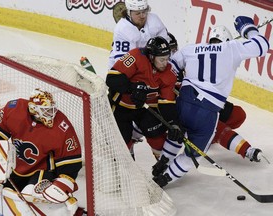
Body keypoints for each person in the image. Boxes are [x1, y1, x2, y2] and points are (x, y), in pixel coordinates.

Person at [152, 16, 270, 188]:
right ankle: (163, 180)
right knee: (195, 154)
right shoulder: (232, 48)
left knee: (176, 131)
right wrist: (247, 28)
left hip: (184, 101)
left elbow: (169, 69)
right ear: (227, 39)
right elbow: (262, 45)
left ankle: (162, 162)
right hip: (206, 111)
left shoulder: (191, 49)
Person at [0, 88, 82, 204]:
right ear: (33, 109)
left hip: (42, 172)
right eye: (45, 111)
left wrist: (63, 183)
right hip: (15, 167)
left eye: (51, 109)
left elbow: (71, 161)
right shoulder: (15, 109)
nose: (51, 114)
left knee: (29, 195)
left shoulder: (62, 126)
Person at [106, 36, 181, 160]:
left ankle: (163, 166)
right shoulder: (136, 56)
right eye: (161, 59)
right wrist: (133, 88)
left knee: (156, 134)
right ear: (151, 56)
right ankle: (124, 159)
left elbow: (166, 104)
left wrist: (174, 124)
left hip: (145, 108)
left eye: (167, 59)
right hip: (121, 106)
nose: (165, 63)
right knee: (121, 141)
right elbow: (112, 79)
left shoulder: (169, 73)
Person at [108, 0, 170, 69]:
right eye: (137, 13)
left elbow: (164, 47)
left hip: (150, 65)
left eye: (144, 12)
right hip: (122, 70)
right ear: (128, 13)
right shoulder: (122, 29)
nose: (142, 16)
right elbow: (124, 64)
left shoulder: (154, 20)